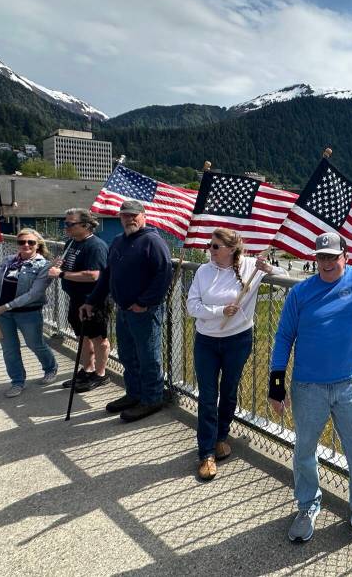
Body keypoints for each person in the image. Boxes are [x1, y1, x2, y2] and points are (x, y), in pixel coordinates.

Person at [269, 232, 352, 548]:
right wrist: (276, 384)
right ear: (315, 259)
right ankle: (307, 507)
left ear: (345, 255)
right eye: (321, 257)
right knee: (304, 450)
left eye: (332, 256)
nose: (327, 263)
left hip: (348, 386)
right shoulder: (301, 293)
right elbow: (283, 337)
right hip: (308, 387)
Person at [187, 228, 285, 481]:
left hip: (238, 340)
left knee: (229, 391)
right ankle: (206, 453)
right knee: (208, 395)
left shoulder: (251, 266)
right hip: (207, 341)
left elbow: (286, 277)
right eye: (210, 245)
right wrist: (220, 311)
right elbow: (191, 306)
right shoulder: (203, 271)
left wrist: (269, 269)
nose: (210, 250)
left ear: (231, 249)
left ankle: (221, 437)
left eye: (216, 246)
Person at [82, 199, 173, 423]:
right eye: (125, 215)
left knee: (148, 356)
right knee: (128, 355)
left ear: (144, 216)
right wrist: (91, 301)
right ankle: (134, 393)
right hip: (123, 309)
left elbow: (163, 276)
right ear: (120, 218)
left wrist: (144, 302)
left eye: (134, 215)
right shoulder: (117, 241)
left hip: (144, 311)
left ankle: (152, 397)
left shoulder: (153, 241)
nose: (130, 219)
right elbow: (106, 276)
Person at [0, 228, 58, 398]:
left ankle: (50, 368)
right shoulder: (7, 260)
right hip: (1, 313)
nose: (26, 245)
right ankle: (17, 382)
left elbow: (34, 294)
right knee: (9, 349)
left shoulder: (44, 265)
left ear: (37, 245)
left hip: (27, 313)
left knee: (35, 344)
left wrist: (3, 308)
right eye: (21, 242)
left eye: (30, 242)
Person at [48, 209, 110, 393]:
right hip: (75, 298)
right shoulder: (72, 243)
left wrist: (62, 274)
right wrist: (59, 265)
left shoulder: (96, 246)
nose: (65, 227)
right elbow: (70, 267)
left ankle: (100, 374)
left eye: (69, 223)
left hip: (92, 299)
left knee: (98, 337)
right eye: (65, 223)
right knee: (82, 336)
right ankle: (87, 369)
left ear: (85, 225)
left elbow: (94, 275)